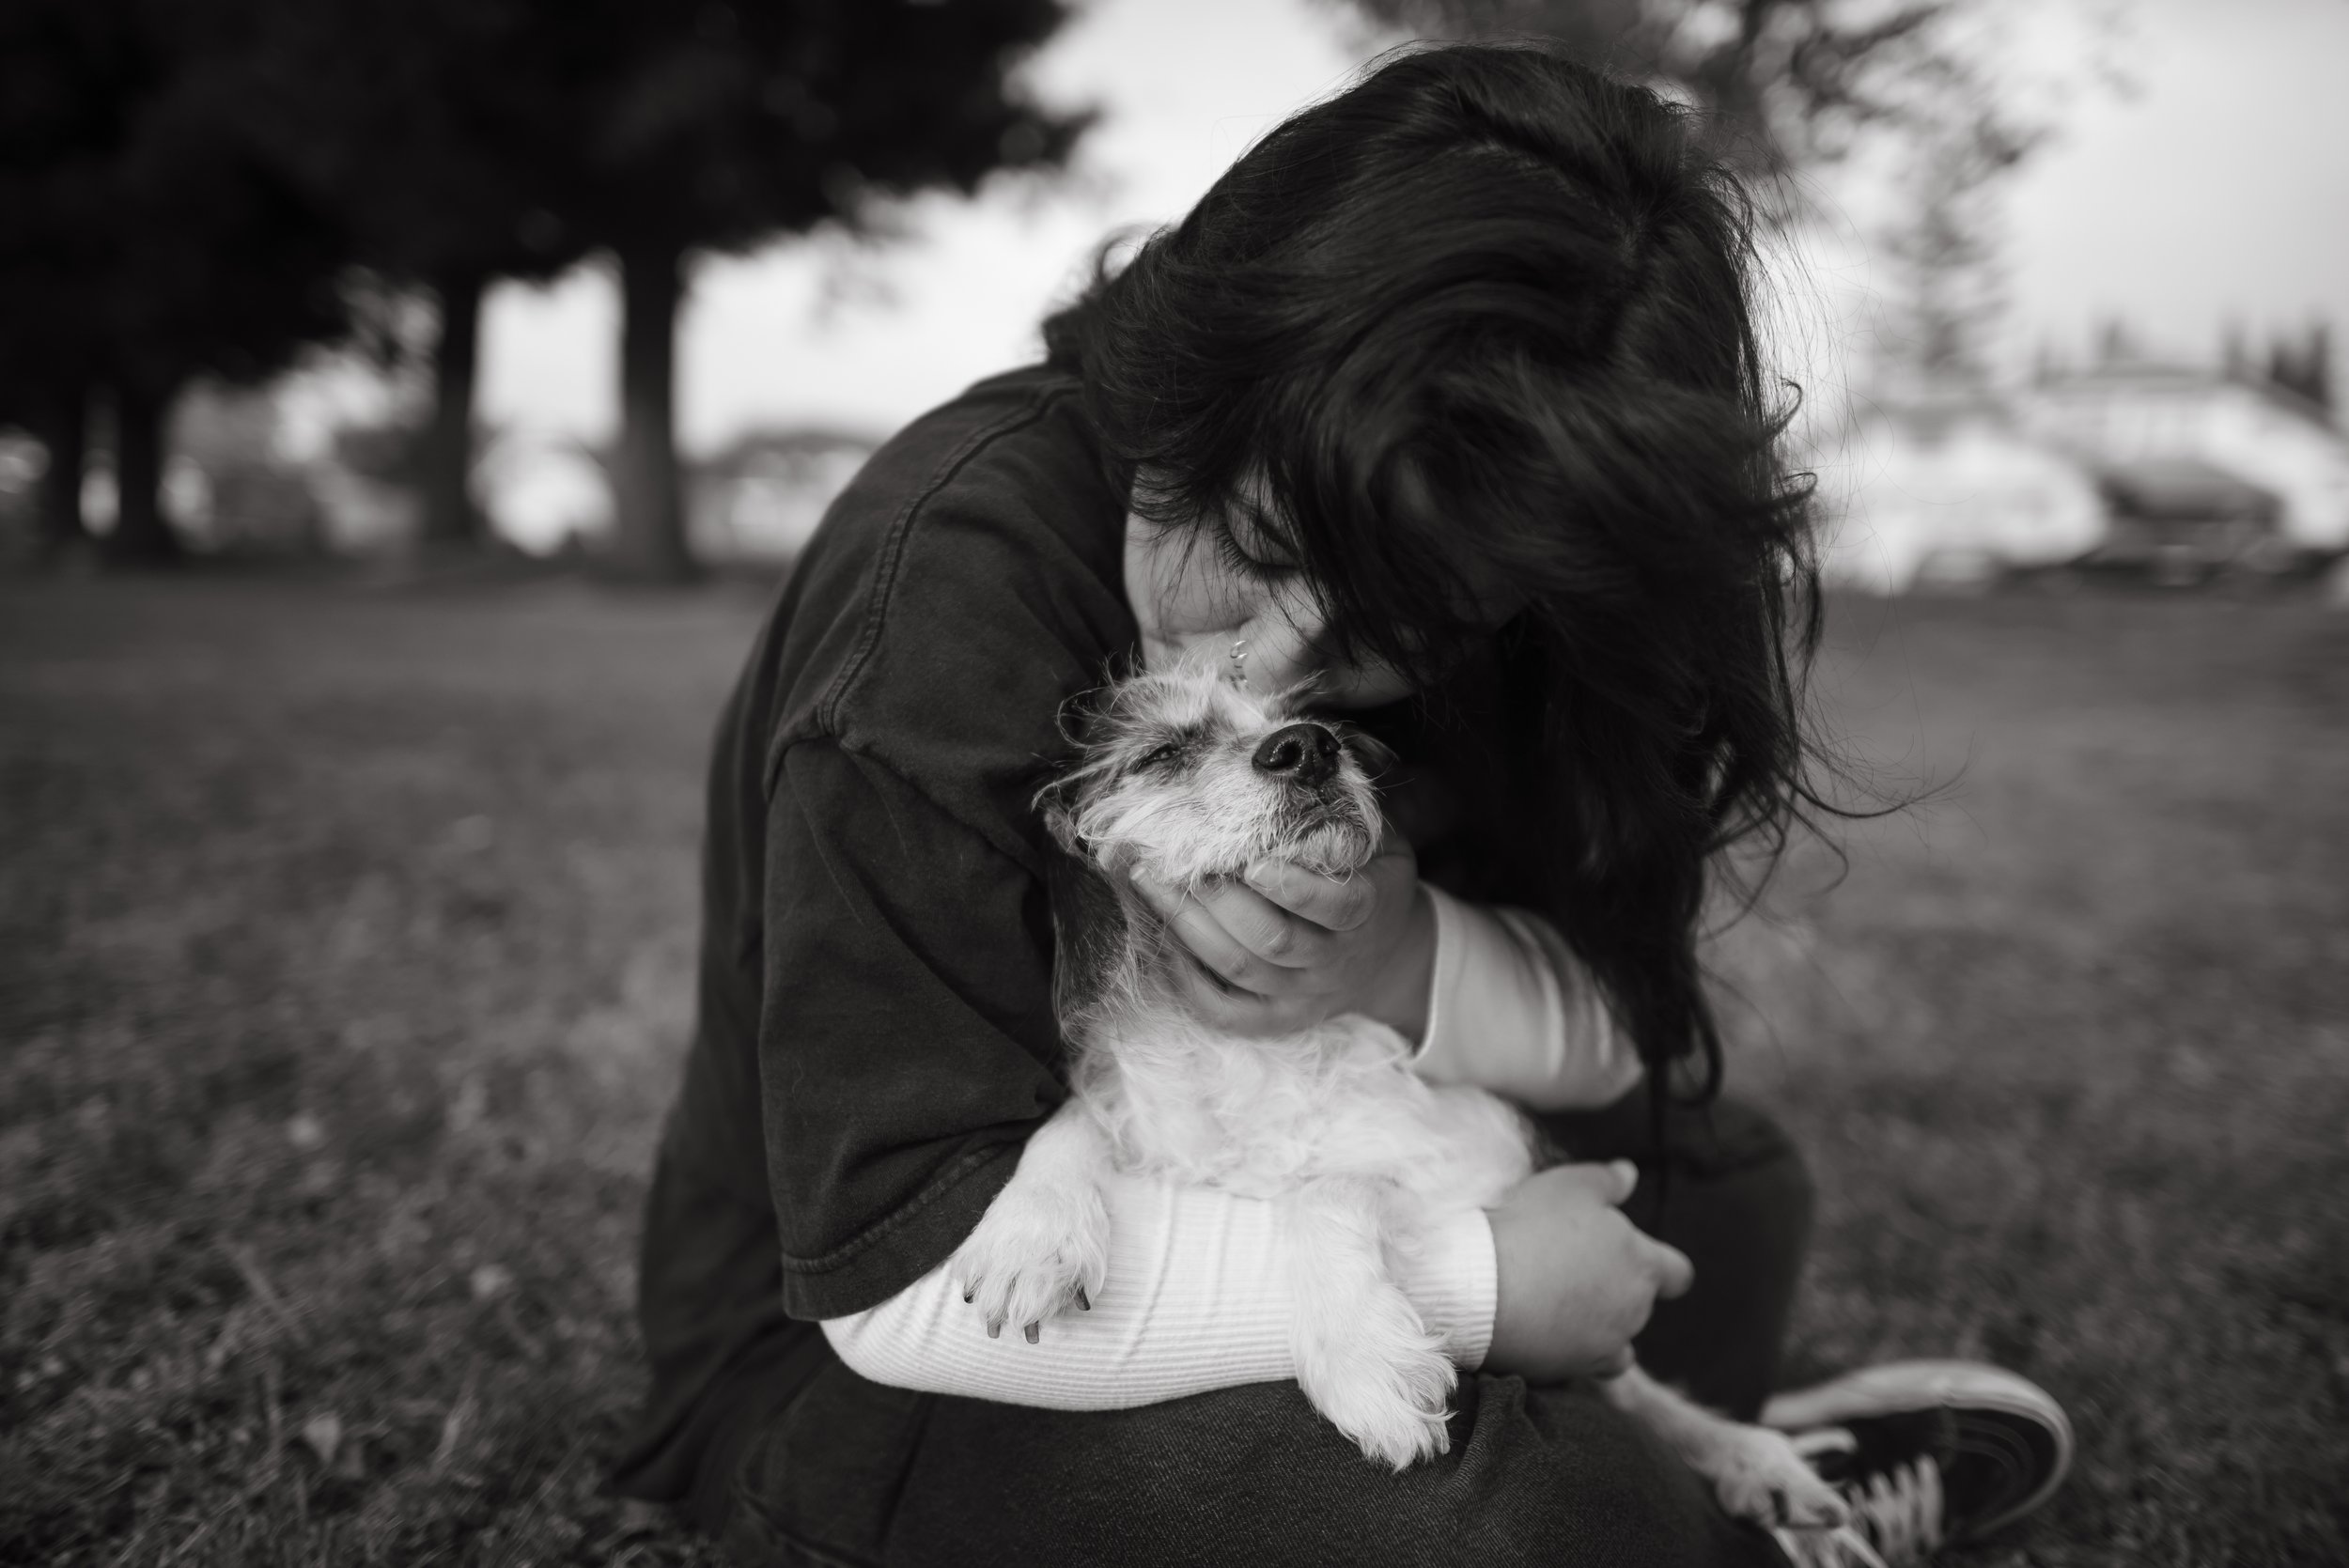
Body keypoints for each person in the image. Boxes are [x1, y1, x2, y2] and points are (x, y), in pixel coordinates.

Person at [611, 42, 2070, 1568]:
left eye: (1401, 624)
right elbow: (902, 1286)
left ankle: (1684, 1483)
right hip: (865, 1350)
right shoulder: (939, 616)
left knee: (1736, 1186)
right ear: (1189, 386)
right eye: (1254, 542)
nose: (1279, 669)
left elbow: (1615, 1016)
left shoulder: (1484, 544)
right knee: (1529, 1522)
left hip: (1313, 1154)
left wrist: (1394, 958)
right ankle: (1684, 1510)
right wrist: (1478, 1286)